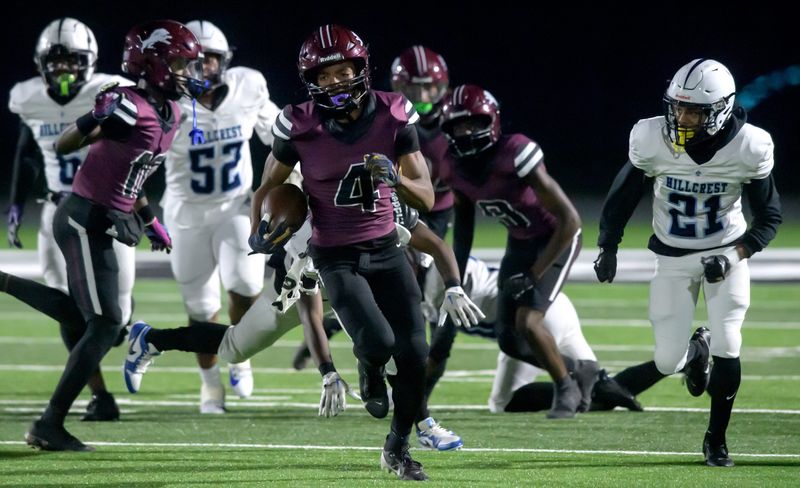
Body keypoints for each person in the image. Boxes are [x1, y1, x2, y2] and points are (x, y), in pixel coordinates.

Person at [248, 24, 436, 481]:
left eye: (342, 71)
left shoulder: (394, 114)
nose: (333, 82)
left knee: (415, 357)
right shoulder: (300, 123)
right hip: (335, 253)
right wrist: (258, 229)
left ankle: (397, 446)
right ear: (311, 79)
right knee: (379, 342)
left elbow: (426, 196)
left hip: (387, 246)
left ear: (360, 69)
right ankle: (370, 365)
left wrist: (395, 179)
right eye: (323, 75)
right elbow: (269, 185)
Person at [14, 19, 206, 452]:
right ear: (152, 63)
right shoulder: (127, 104)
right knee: (105, 324)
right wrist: (89, 118)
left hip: (110, 219)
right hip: (83, 216)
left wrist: (149, 218)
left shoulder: (170, 112)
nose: (186, 72)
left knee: (97, 322)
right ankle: (50, 423)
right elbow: (64, 146)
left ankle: (4, 282)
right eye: (177, 63)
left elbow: (133, 174)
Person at [593, 58, 782, 467]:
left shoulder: (750, 146)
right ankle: (697, 352)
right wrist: (608, 246)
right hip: (672, 258)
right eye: (678, 107)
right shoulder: (651, 138)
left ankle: (716, 439)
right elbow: (623, 193)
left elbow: (769, 218)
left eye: (694, 110)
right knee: (666, 360)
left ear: (722, 109)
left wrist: (733, 256)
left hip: (725, 254)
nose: (682, 117)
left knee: (730, 342)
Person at [5, 17, 136, 422]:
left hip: (105, 209)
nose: (62, 69)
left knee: (114, 323)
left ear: (89, 61)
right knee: (69, 305)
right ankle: (98, 394)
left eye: (71, 61)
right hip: (57, 212)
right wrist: (15, 204)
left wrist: (140, 206)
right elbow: (29, 150)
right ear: (41, 62)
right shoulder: (28, 97)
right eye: (55, 61)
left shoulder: (111, 90)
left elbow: (134, 150)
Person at [439, 84, 595, 419]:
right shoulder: (453, 165)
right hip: (521, 240)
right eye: (458, 126)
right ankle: (578, 371)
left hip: (558, 237)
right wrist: (456, 279)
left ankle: (565, 388)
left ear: (491, 121)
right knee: (508, 338)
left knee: (528, 321)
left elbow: (570, 220)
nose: (465, 132)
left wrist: (534, 273)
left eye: (473, 123)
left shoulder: (515, 152)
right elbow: (463, 225)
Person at [159, 19, 281, 413]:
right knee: (199, 306)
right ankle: (210, 384)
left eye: (209, 59)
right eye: (191, 60)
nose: (201, 68)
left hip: (234, 206)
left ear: (224, 61)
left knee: (245, 288)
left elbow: (280, 135)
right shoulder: (168, 105)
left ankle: (240, 355)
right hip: (186, 214)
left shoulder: (248, 87)